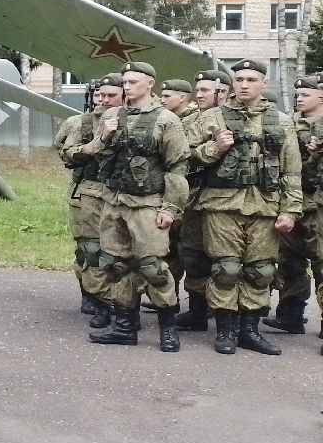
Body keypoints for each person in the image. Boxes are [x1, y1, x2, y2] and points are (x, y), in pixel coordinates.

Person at [186, 58, 301, 355]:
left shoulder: (281, 121)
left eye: (251, 79)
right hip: (221, 205)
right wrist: (215, 148)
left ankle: (250, 331)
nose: (245, 84)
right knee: (225, 269)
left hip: (265, 206)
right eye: (240, 79)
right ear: (232, 84)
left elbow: (291, 169)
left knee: (260, 271)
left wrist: (290, 210)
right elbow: (183, 159)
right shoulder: (211, 117)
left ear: (264, 83)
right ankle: (225, 331)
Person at [79, 62, 190, 351]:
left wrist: (170, 208)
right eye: (125, 82)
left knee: (153, 267)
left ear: (150, 83)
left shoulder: (166, 119)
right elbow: (92, 153)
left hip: (147, 204)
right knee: (116, 266)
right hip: (114, 201)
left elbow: (177, 166)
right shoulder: (112, 114)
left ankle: (168, 328)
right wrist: (104, 135)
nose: (127, 86)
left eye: (133, 82)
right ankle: (125, 327)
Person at [55, 74, 124, 326]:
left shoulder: (136, 120)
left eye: (110, 96)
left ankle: (121, 302)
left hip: (122, 194)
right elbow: (67, 153)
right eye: (100, 95)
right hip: (88, 192)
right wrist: (96, 143)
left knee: (120, 254)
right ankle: (94, 298)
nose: (103, 100)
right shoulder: (81, 123)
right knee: (90, 250)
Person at [174, 70, 232, 332]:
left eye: (205, 90)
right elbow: (181, 152)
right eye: (197, 90)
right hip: (197, 196)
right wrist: (211, 149)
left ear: (223, 92)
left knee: (227, 261)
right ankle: (198, 310)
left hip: (231, 199)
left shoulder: (238, 118)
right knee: (194, 255)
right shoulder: (196, 120)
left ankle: (229, 317)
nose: (199, 95)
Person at [271, 73, 323, 339]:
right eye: (297, 94)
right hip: (293, 200)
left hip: (319, 203)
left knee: (321, 261)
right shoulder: (289, 124)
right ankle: (290, 314)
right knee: (289, 260)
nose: (299, 98)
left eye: (305, 94)